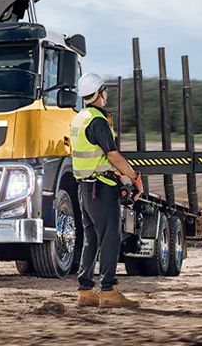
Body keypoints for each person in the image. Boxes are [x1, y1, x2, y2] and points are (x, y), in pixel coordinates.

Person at [70, 72, 144, 309]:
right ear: (99, 93)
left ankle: (85, 291)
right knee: (111, 237)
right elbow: (113, 155)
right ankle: (109, 291)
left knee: (91, 238)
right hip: (101, 188)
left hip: (85, 188)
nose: (107, 94)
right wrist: (134, 177)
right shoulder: (98, 121)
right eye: (105, 90)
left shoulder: (79, 118)